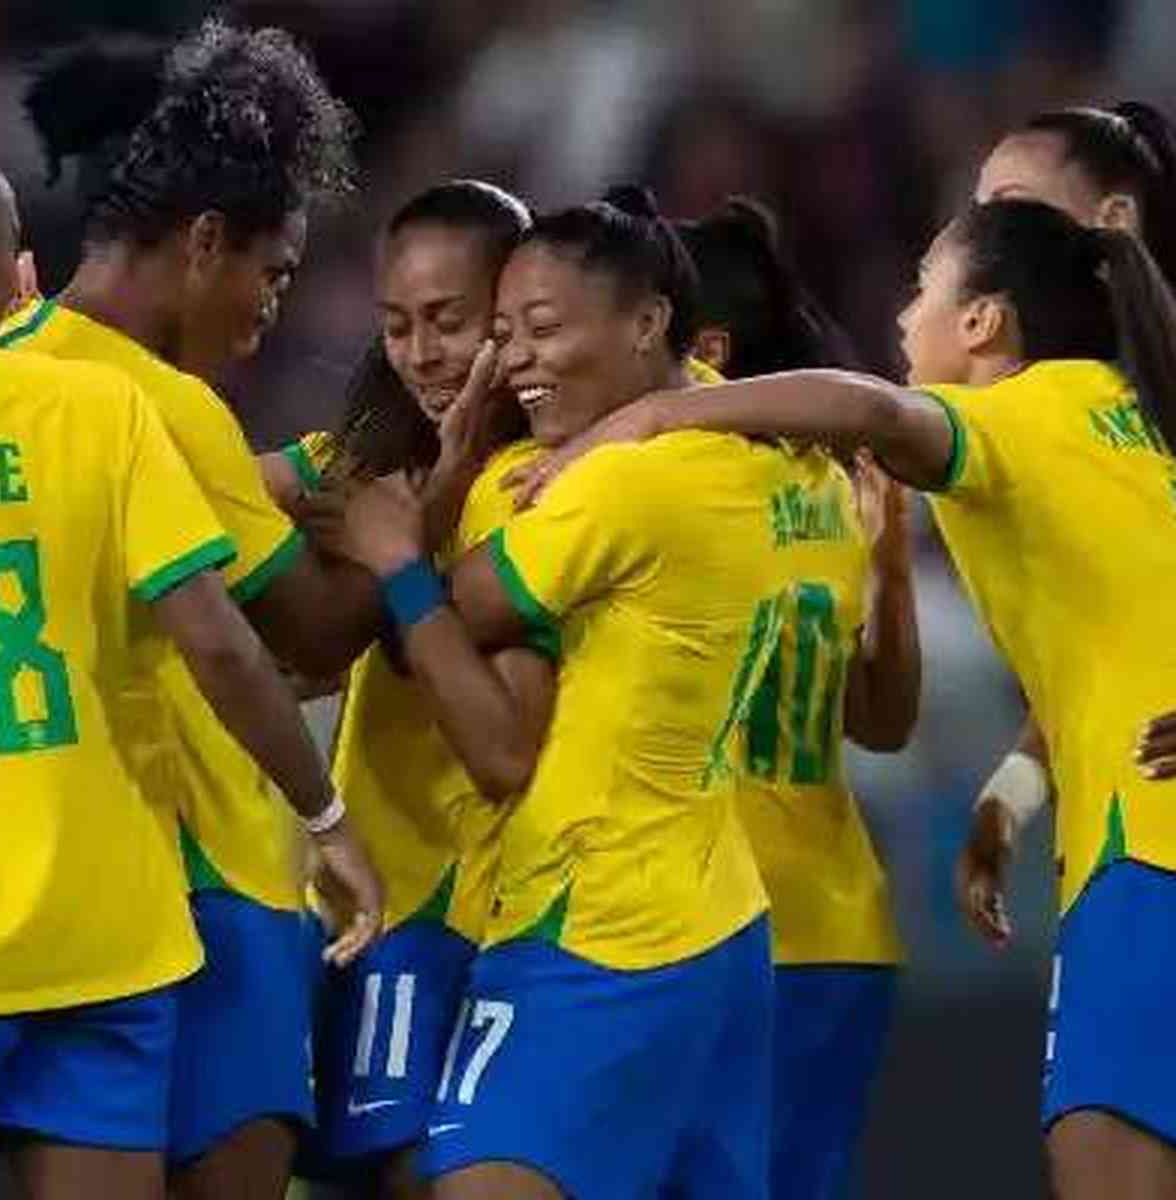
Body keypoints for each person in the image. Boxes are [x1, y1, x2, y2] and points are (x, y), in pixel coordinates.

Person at [516, 197, 1176, 1200]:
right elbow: (1122, 643)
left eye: (923, 288)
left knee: (1108, 1167)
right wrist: (1005, 801)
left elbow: (868, 408)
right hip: (1055, 860)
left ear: (983, 322)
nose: (904, 317)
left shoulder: (1017, 417)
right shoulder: (1129, 425)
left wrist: (653, 415)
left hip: (1146, 845)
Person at [311, 185, 878, 1200]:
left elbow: (447, 657)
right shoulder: (793, 465)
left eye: (526, 328)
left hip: (593, 915)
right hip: (723, 917)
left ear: (648, 321)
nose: (507, 358)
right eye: (504, 333)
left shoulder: (594, 485)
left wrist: (398, 550)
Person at [2, 24, 383, 1199]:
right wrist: (404, 534)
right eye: (272, 273)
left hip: (66, 901)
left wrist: (304, 466)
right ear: (205, 240)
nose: (272, 307)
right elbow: (307, 633)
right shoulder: (165, 407)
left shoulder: (14, 361)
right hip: (219, 886)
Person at [270, 181, 549, 1200]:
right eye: (397, 326)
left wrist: (405, 545)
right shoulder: (356, 468)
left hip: (463, 906)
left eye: (448, 322)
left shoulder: (545, 490)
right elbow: (200, 484)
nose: (422, 354)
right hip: (361, 900)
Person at [676, 196, 919, 1200]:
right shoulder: (834, 483)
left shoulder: (667, 487)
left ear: (705, 350)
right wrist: (891, 563)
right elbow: (883, 720)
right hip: (833, 932)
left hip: (726, 930)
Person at [956, 101, 1176, 947]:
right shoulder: (1083, 401)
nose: (988, 233)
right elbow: (1119, 640)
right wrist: (1010, 797)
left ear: (1114, 219)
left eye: (1012, 205)